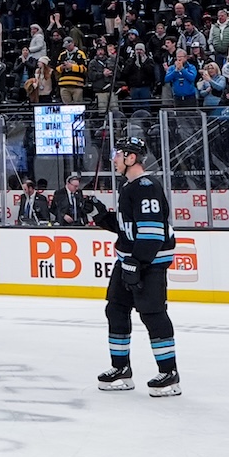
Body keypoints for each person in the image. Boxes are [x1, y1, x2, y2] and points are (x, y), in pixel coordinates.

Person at [91, 136, 181, 395]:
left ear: (131, 158)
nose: (114, 160)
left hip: (149, 263)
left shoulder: (146, 186)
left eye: (118, 155)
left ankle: (169, 374)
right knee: (116, 310)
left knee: (152, 314)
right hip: (129, 262)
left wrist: (137, 264)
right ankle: (121, 368)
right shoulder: (128, 187)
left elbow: (152, 233)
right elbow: (127, 230)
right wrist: (99, 215)